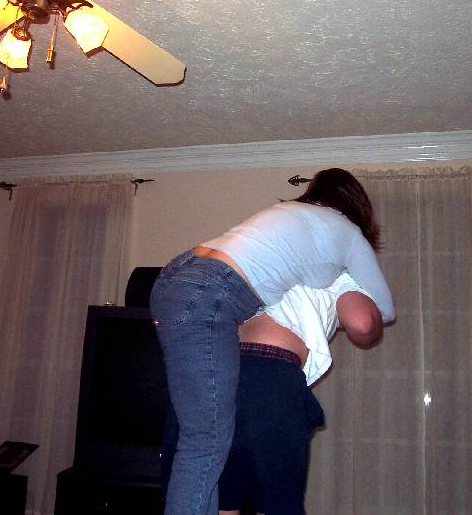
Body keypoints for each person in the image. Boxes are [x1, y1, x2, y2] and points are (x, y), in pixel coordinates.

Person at [149, 168, 395, 515]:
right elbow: (363, 321)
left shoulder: (278, 234)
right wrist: (371, 319)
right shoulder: (343, 266)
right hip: (268, 382)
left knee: (212, 484)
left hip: (215, 358)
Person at [218, 273, 382, 515]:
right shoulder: (340, 274)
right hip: (268, 377)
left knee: (218, 498)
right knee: (276, 502)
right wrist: (377, 318)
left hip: (215, 370)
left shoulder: (265, 264)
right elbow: (362, 323)